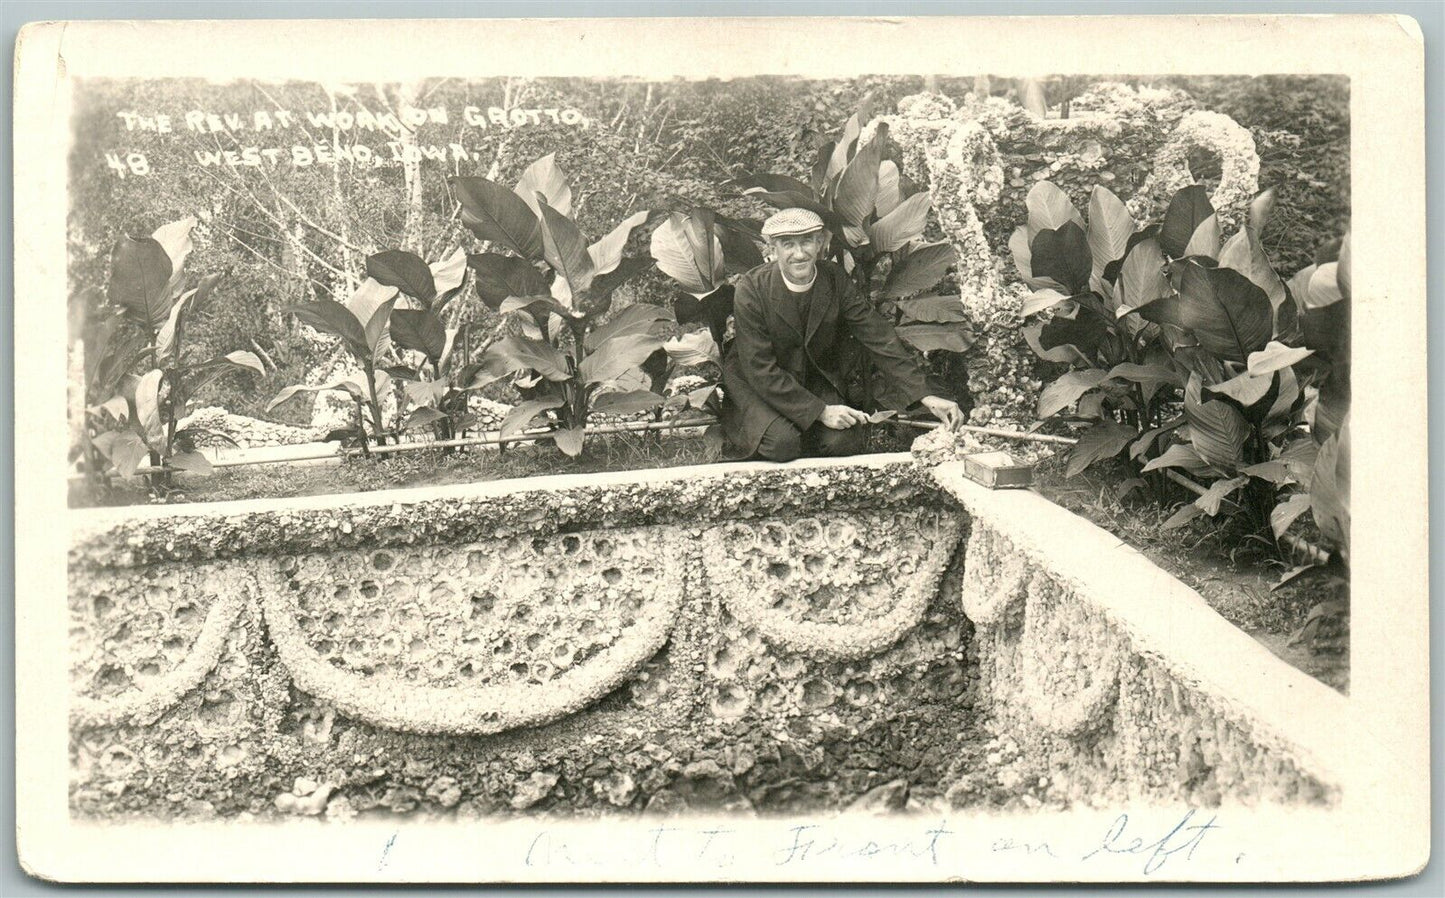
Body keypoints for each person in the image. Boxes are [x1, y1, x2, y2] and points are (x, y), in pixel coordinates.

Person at [719, 207, 964, 462]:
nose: (799, 254)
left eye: (806, 242)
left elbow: (877, 336)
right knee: (783, 444)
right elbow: (759, 368)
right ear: (773, 249)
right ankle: (765, 429)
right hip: (758, 382)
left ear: (820, 243)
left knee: (844, 442)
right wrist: (821, 412)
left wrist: (926, 395)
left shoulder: (834, 278)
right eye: (788, 244)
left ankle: (802, 431)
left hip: (811, 378)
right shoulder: (751, 288)